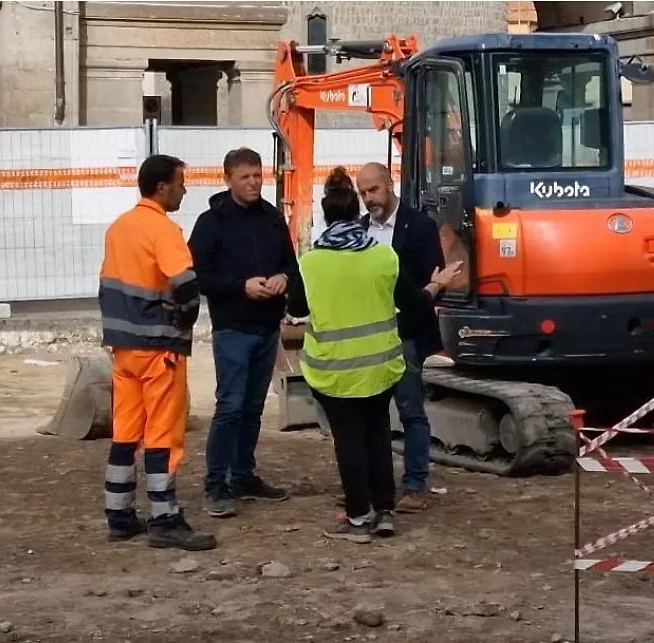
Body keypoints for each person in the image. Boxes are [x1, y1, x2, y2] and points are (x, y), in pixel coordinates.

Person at [286, 167, 461, 543]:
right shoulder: (383, 258)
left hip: (335, 369)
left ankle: (356, 516)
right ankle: (384, 511)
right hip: (382, 364)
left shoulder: (311, 263)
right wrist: (435, 285)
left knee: (349, 442)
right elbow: (413, 304)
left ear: (325, 215)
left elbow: (297, 307)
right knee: (378, 435)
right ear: (356, 213)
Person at [98, 154, 216, 551]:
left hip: (123, 348)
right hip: (158, 347)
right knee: (163, 435)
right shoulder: (164, 230)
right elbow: (186, 287)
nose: (184, 189)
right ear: (162, 187)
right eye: (181, 182)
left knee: (125, 432)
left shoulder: (119, 228)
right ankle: (164, 517)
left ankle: (120, 514)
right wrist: (182, 325)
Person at [188, 147, 298, 518]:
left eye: (257, 175)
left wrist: (284, 277)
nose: (253, 183)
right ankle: (216, 485)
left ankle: (243, 476)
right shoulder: (212, 222)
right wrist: (240, 286)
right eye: (245, 177)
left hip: (267, 328)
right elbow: (198, 275)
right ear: (228, 179)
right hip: (233, 328)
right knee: (230, 407)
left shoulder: (271, 217)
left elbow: (290, 262)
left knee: (252, 408)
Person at [355, 162, 447, 514]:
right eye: (362, 193)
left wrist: (415, 307)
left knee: (410, 410)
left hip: (405, 334)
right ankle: (371, 485)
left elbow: (434, 279)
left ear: (389, 185)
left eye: (373, 190)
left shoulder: (419, 227)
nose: (368, 199)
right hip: (370, 337)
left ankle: (414, 484)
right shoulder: (360, 231)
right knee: (371, 414)